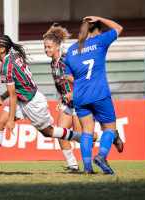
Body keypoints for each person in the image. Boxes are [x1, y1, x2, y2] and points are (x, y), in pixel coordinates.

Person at [0, 35, 81, 174]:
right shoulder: (13, 56)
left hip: (33, 102)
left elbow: (13, 94)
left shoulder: (7, 66)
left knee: (48, 132)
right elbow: (16, 86)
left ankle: (79, 137)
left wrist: (11, 119)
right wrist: (1, 97)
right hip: (22, 98)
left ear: (2, 49)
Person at [64, 16, 124, 175]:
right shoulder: (100, 41)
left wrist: (80, 80)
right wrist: (100, 18)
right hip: (99, 93)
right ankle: (102, 156)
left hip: (80, 96)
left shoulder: (71, 50)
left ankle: (87, 168)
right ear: (97, 29)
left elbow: (68, 76)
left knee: (87, 131)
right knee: (110, 129)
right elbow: (119, 28)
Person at [43, 24, 82, 172]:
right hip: (67, 104)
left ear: (58, 46)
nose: (47, 50)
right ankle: (73, 165)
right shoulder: (53, 63)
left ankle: (109, 138)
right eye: (45, 47)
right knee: (61, 133)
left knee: (82, 137)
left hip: (79, 102)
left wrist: (74, 93)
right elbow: (61, 84)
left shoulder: (67, 59)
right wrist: (62, 97)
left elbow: (81, 79)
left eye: (49, 47)